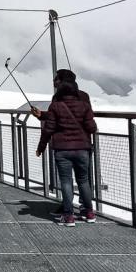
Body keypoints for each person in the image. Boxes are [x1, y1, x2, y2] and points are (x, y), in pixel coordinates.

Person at [36, 80, 98, 226]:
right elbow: (92, 127)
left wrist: (41, 147)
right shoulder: (84, 106)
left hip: (62, 150)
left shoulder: (55, 106)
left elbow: (48, 129)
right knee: (83, 180)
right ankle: (89, 212)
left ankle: (68, 216)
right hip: (82, 149)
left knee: (66, 181)